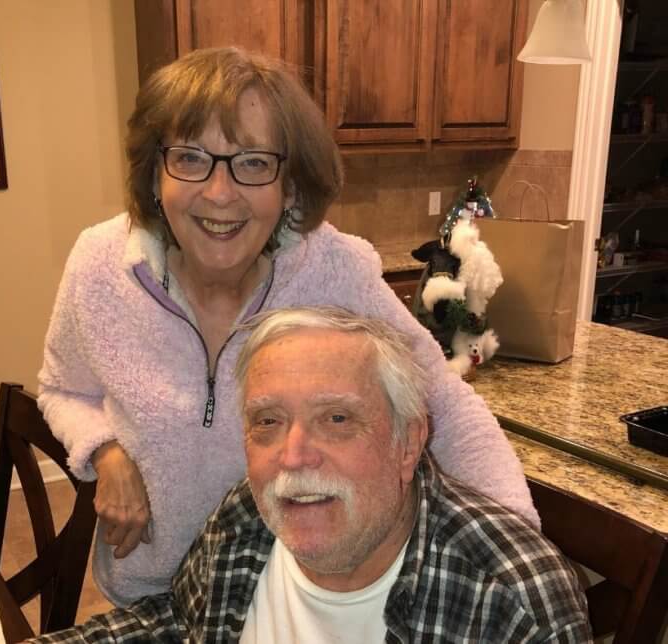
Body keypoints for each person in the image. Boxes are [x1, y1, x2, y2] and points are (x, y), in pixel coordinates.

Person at [38, 46, 540, 608]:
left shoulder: (332, 270)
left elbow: (443, 402)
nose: (220, 193)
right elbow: (62, 388)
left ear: (290, 188)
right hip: (148, 593)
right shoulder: (99, 265)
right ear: (155, 174)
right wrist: (105, 453)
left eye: (254, 162)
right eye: (191, 158)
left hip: (281, 595)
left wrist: (518, 548)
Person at [31, 307, 592, 643]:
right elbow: (181, 625)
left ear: (409, 442)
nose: (293, 457)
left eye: (337, 419)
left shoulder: (512, 605)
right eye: (267, 421)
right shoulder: (248, 516)